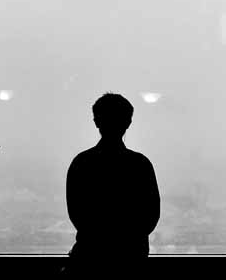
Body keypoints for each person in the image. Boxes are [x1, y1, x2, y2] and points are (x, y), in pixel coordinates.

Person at [65, 93, 160, 269]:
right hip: (131, 259)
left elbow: (78, 215)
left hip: (89, 259)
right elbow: (150, 216)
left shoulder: (82, 163)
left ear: (96, 122)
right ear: (128, 123)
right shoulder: (140, 165)